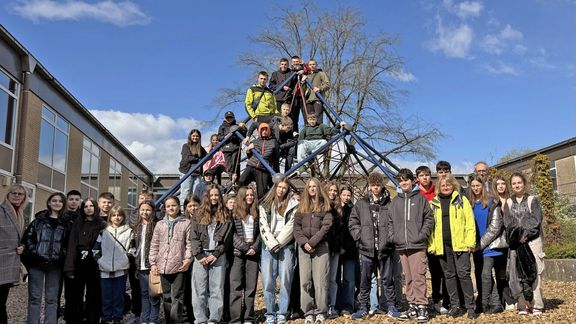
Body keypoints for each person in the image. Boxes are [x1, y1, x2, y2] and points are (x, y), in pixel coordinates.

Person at [349, 172, 401, 320]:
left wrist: (390, 240)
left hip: (385, 249)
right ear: (369, 186)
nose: (375, 188)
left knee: (387, 280)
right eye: (373, 185)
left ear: (382, 185)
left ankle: (391, 305)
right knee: (365, 280)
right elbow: (353, 222)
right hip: (366, 249)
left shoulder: (389, 203)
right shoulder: (361, 203)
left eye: (378, 185)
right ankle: (363, 307)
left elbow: (394, 224)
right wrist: (359, 238)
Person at [428, 175, 477, 319]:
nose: (445, 187)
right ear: (439, 187)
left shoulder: (462, 200)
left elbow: (469, 222)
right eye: (443, 185)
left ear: (453, 186)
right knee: (449, 276)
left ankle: (470, 306)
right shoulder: (433, 203)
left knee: (464, 275)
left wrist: (470, 242)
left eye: (448, 184)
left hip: (460, 245)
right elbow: (430, 226)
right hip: (442, 246)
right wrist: (431, 245)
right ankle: (455, 305)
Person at [388, 169, 434, 322]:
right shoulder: (395, 201)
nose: (403, 182)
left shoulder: (421, 199)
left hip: (417, 244)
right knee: (408, 277)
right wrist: (393, 237)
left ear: (413, 181)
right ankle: (412, 305)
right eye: (401, 180)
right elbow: (389, 222)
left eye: (406, 179)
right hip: (402, 245)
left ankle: (422, 306)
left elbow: (429, 219)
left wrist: (422, 235)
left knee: (418, 276)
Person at [20, 192, 67, 324]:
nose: (57, 203)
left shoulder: (65, 223)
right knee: (35, 298)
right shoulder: (38, 221)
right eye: (54, 200)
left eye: (59, 201)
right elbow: (28, 238)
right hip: (37, 264)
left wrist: (61, 255)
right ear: (49, 203)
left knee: (52, 299)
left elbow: (67, 243)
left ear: (63, 204)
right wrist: (35, 253)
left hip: (55, 266)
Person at [503, 172, 545, 316]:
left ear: (524, 184)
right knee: (517, 274)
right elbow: (508, 222)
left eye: (519, 182)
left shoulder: (532, 200)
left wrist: (525, 235)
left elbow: (536, 220)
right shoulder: (508, 203)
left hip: (532, 242)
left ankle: (537, 304)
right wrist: (517, 237)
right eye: (514, 183)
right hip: (516, 243)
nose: (516, 185)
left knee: (534, 272)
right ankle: (522, 304)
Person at [259, 178, 299, 324]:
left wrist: (278, 243)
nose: (281, 190)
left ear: (287, 190)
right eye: (279, 187)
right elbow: (263, 225)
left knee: (285, 281)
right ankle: (270, 312)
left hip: (286, 246)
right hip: (268, 247)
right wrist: (271, 243)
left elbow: (291, 226)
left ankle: (282, 312)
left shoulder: (294, 205)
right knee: (268, 281)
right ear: (275, 188)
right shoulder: (265, 205)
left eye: (284, 188)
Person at [190, 186, 232, 324]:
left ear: (220, 196)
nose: (214, 198)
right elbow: (194, 237)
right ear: (207, 197)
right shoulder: (198, 214)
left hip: (218, 256)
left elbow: (227, 238)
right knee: (199, 290)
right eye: (211, 195)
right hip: (201, 256)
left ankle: (214, 319)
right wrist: (199, 255)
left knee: (216, 289)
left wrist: (216, 254)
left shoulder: (225, 213)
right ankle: (200, 319)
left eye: (216, 195)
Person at [293, 178, 333, 324]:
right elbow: (296, 228)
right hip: (304, 249)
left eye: (314, 186)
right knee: (305, 281)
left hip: (320, 247)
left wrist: (312, 242)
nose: (312, 189)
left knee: (320, 281)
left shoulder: (325, 205)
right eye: (309, 186)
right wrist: (304, 243)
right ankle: (308, 312)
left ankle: (321, 311)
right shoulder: (301, 207)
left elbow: (326, 226)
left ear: (318, 188)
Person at [149, 196, 192, 323]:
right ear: (165, 208)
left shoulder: (186, 223)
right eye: (168, 206)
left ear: (179, 207)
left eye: (173, 205)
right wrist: (153, 263)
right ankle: (169, 320)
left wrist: (187, 260)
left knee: (177, 296)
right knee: (166, 297)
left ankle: (175, 321)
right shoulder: (160, 224)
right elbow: (154, 244)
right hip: (163, 265)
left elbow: (189, 243)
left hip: (179, 265)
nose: (171, 208)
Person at [64, 198, 107, 324]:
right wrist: (69, 267)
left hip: (95, 263)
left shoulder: (102, 224)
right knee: (76, 295)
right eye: (85, 206)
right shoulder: (77, 223)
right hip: (79, 262)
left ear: (95, 207)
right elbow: (72, 245)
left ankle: (92, 319)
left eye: (91, 206)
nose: (88, 208)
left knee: (93, 295)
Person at [93, 206, 133, 324]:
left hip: (121, 269)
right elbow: (95, 250)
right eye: (114, 215)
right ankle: (106, 318)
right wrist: (101, 261)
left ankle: (117, 318)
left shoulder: (129, 232)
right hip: (104, 270)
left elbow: (132, 249)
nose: (117, 217)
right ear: (110, 217)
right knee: (106, 296)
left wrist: (125, 260)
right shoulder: (104, 232)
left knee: (118, 296)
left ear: (123, 217)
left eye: (119, 215)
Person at [229, 187, 261, 324]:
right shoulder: (234, 213)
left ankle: (248, 317)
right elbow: (232, 234)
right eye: (247, 195)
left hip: (252, 253)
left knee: (250, 287)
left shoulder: (257, 212)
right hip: (238, 253)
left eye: (252, 195)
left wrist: (254, 247)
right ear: (241, 196)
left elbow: (260, 232)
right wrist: (244, 247)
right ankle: (236, 319)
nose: (250, 197)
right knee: (236, 287)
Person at [0, 184, 28, 324]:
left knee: (2, 301)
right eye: (14, 193)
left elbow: (20, 237)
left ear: (24, 197)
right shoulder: (1, 211)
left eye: (20, 194)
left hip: (10, 263)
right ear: (8, 194)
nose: (17, 195)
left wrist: (22, 246)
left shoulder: (21, 213)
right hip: (2, 261)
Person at [489, 175, 516, 311]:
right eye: (498, 184)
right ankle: (503, 299)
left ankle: (512, 298)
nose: (501, 186)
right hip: (497, 241)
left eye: (503, 183)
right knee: (499, 271)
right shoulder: (492, 201)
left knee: (508, 272)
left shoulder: (512, 200)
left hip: (511, 240)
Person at [132, 200, 161, 324]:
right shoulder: (136, 226)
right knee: (144, 294)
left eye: (148, 209)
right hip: (140, 265)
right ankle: (145, 319)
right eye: (142, 209)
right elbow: (133, 245)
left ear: (153, 211)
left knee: (154, 295)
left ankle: (153, 320)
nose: (145, 212)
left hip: (153, 265)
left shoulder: (157, 225)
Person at [237, 123, 279, 199]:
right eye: (262, 130)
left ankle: (259, 208)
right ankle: (242, 200)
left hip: (263, 169)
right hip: (252, 165)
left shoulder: (273, 142)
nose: (264, 131)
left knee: (262, 193)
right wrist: (248, 151)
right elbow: (250, 157)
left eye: (266, 130)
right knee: (241, 182)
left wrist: (276, 173)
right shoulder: (255, 142)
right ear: (259, 131)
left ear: (268, 131)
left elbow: (275, 159)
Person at [335, 186, 356, 316]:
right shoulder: (334, 209)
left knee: (349, 279)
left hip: (350, 249)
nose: (346, 197)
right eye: (344, 195)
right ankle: (336, 304)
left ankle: (348, 305)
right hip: (336, 248)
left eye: (348, 195)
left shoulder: (353, 210)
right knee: (335, 279)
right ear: (340, 195)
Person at [324, 181, 343, 319]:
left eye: (335, 191)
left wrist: (339, 246)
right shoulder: (321, 206)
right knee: (320, 279)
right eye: (330, 190)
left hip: (335, 248)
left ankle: (332, 305)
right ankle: (321, 305)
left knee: (332, 279)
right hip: (322, 246)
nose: (333, 193)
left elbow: (341, 230)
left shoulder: (339, 208)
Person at [179, 129, 207, 207]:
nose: (195, 137)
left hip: (197, 173)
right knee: (186, 191)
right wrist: (199, 159)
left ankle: (196, 208)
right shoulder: (186, 146)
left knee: (196, 192)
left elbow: (207, 156)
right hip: (187, 171)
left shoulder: (200, 148)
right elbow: (187, 158)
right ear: (190, 136)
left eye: (197, 136)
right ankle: (183, 209)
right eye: (193, 136)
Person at [217, 111, 246, 180]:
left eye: (231, 117)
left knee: (236, 165)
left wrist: (243, 128)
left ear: (233, 118)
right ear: (225, 118)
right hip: (227, 149)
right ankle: (232, 180)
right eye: (228, 118)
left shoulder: (237, 126)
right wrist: (226, 136)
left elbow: (243, 136)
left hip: (236, 148)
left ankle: (237, 181)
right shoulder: (222, 127)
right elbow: (219, 138)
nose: (229, 119)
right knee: (229, 166)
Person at [304, 59, 330, 124]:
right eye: (310, 64)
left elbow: (327, 84)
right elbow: (303, 88)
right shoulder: (307, 75)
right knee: (309, 119)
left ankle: (319, 133)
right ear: (308, 66)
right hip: (308, 100)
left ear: (316, 65)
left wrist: (319, 88)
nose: (312, 66)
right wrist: (302, 81)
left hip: (317, 99)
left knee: (318, 118)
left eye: (313, 64)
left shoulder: (321, 73)